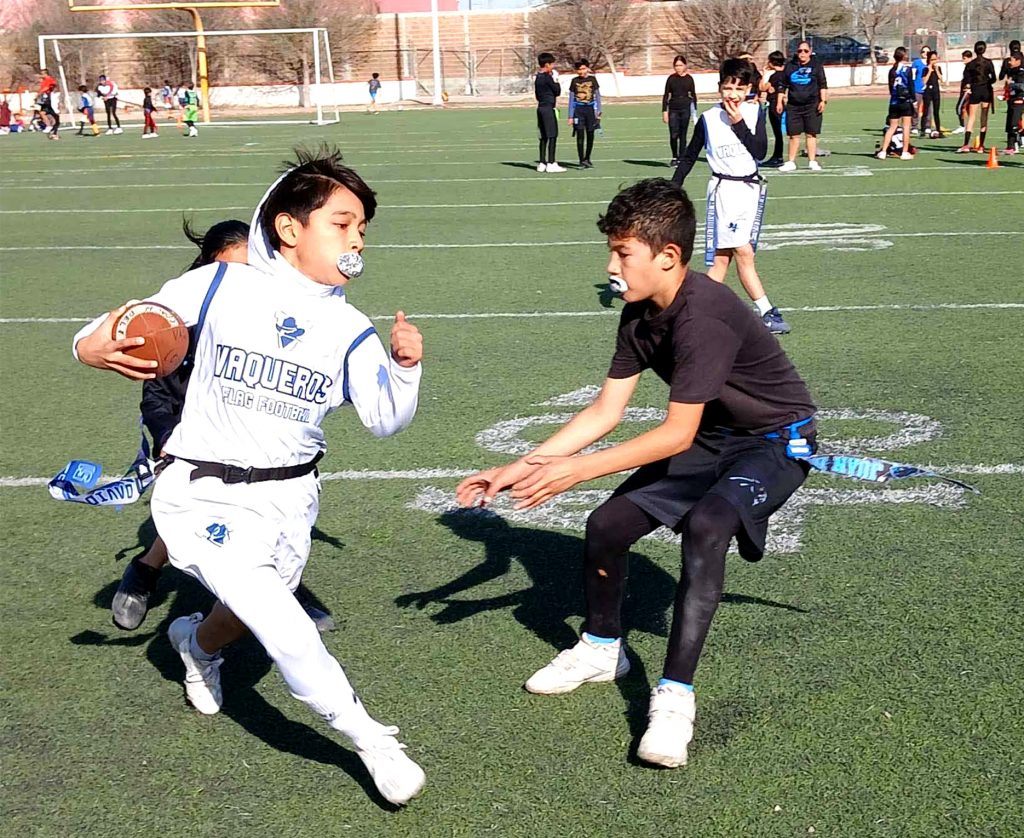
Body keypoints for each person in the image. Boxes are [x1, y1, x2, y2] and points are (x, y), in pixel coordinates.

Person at [72, 148, 427, 806]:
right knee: (286, 628)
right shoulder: (218, 285)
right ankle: (372, 740)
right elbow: (123, 321)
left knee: (244, 612)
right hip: (203, 492)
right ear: (289, 227)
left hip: (291, 497)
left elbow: (386, 420)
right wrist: (89, 343)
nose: (357, 240)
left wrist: (406, 368)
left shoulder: (351, 328)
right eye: (342, 224)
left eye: (362, 229)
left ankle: (194, 645)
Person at [456, 177, 817, 770]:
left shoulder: (703, 316)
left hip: (774, 442)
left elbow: (674, 435)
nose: (611, 266)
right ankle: (603, 649)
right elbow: (606, 411)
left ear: (668, 256)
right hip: (712, 434)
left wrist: (575, 471)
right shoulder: (639, 315)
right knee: (607, 524)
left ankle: (674, 699)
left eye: (622, 253)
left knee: (707, 525)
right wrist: (515, 468)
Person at [112, 218, 336, 635]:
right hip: (193, 440)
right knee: (202, 508)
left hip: (256, 443)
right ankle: (145, 570)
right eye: (228, 271)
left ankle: (279, 589)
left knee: (270, 513)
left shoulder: (280, 319)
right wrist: (170, 439)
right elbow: (157, 399)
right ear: (207, 271)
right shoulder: (179, 324)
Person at [672, 58, 788, 335]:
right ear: (719, 87)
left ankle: (691, 314)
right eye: (727, 87)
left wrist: (739, 123)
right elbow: (689, 156)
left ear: (748, 89)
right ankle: (767, 311)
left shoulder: (754, 111)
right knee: (743, 252)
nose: (732, 94)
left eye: (739, 88)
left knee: (722, 259)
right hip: (725, 192)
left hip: (749, 190)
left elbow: (760, 151)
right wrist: (673, 188)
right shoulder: (709, 118)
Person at [776, 41, 828, 171]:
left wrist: (823, 101)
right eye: (800, 51)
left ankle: (812, 161)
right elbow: (782, 85)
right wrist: (779, 101)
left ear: (810, 51)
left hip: (812, 105)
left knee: (811, 134)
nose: (802, 53)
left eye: (805, 51)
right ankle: (791, 162)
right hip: (793, 106)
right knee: (793, 135)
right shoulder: (790, 66)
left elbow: (822, 84)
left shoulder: (816, 66)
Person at [877, 47, 916, 162]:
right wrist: (914, 100)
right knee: (906, 127)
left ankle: (883, 151)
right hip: (905, 102)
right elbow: (911, 86)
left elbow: (890, 87)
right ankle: (904, 152)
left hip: (894, 102)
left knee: (892, 127)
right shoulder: (907, 69)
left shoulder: (892, 70)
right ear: (904, 56)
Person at [958, 41, 997, 153]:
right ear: (984, 50)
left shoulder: (970, 64)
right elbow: (994, 78)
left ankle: (966, 145)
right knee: (984, 117)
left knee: (971, 117)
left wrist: (971, 85)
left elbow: (966, 79)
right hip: (986, 90)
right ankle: (981, 146)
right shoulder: (989, 62)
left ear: (975, 50)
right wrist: (987, 82)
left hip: (975, 90)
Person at [662, 54, 697, 167]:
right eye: (676, 65)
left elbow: (693, 95)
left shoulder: (689, 79)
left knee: (683, 135)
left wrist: (694, 112)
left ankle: (682, 158)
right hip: (673, 109)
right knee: (673, 134)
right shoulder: (671, 79)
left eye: (680, 65)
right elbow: (666, 95)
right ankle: (674, 157)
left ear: (685, 66)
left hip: (685, 108)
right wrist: (664, 111)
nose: (678, 68)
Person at [535, 52, 565, 173]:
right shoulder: (547, 77)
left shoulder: (538, 77)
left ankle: (542, 162)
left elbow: (537, 96)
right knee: (552, 135)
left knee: (543, 136)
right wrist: (556, 79)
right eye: (552, 64)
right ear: (547, 64)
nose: (553, 66)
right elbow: (557, 91)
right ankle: (551, 162)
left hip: (540, 107)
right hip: (548, 108)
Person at [568, 59, 601, 169]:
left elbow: (597, 95)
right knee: (580, 135)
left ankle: (587, 158)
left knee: (590, 134)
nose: (581, 71)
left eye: (583, 68)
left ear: (587, 68)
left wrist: (599, 110)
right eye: (579, 69)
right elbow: (571, 99)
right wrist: (570, 116)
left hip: (590, 110)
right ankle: (581, 160)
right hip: (578, 111)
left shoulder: (592, 80)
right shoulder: (574, 81)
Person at [763, 51, 787, 165]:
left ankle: (778, 156)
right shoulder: (786, 73)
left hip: (775, 104)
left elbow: (763, 87)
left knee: (777, 132)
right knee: (779, 132)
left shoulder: (775, 76)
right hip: (781, 104)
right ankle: (777, 156)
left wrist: (764, 74)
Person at [1003, 50, 1024, 155]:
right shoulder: (1012, 70)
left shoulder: (1022, 72)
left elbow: (1022, 86)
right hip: (1012, 99)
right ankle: (1010, 147)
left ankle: (1015, 145)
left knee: (1014, 124)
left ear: (1018, 61)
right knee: (1010, 124)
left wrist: (1011, 84)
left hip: (1019, 100)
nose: (1009, 62)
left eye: (1011, 60)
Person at [921, 50, 944, 137]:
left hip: (936, 91)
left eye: (935, 59)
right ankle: (923, 130)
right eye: (932, 60)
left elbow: (941, 79)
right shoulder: (925, 69)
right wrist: (929, 71)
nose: (934, 61)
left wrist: (937, 70)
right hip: (927, 91)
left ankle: (938, 129)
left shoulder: (938, 68)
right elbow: (924, 81)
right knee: (926, 111)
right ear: (928, 60)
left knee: (936, 112)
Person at [952, 50, 973, 135]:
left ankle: (962, 126)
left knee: (959, 108)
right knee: (966, 108)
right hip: (964, 90)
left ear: (969, 58)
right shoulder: (967, 66)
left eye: (964, 58)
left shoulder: (971, 66)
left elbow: (974, 78)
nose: (963, 60)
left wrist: (969, 87)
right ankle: (968, 127)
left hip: (967, 91)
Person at [911, 44, 930, 135]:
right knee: (915, 108)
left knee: (928, 109)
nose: (925, 53)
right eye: (923, 52)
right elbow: (913, 76)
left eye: (927, 52)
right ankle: (914, 126)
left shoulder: (931, 63)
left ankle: (926, 126)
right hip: (917, 88)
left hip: (928, 89)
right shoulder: (916, 63)